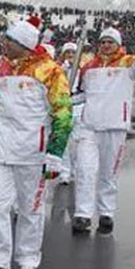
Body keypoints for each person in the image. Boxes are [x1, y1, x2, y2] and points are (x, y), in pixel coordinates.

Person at [0, 19, 72, 269]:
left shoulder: (50, 71)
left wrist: (56, 151)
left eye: (9, 40)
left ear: (23, 45)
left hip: (34, 152)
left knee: (31, 209)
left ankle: (28, 259)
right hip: (1, 149)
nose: (4, 44)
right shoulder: (3, 68)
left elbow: (63, 113)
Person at [72, 13, 135, 236]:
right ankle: (82, 214)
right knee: (85, 171)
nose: (106, 45)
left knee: (108, 173)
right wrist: (65, 100)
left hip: (115, 127)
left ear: (118, 44)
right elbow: (81, 95)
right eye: (103, 42)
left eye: (111, 42)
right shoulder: (88, 67)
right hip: (89, 127)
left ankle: (106, 212)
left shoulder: (129, 65)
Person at [58, 41, 81, 184]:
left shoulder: (83, 70)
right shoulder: (58, 70)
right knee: (64, 143)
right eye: (68, 53)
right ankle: (64, 172)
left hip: (78, 107)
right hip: (64, 108)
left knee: (77, 143)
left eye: (73, 53)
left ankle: (76, 171)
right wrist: (64, 72)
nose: (71, 56)